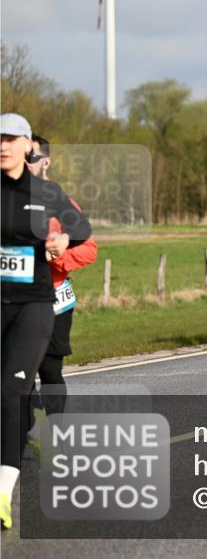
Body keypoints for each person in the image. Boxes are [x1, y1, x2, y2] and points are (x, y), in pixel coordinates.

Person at [2, 113, 92, 532]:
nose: (4, 147)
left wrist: (61, 249)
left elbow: (86, 240)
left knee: (35, 377)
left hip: (45, 302)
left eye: (12, 141)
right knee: (13, 388)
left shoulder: (52, 196)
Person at [26, 135, 98, 423]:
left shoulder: (61, 202)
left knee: (50, 371)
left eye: (31, 158)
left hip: (55, 300)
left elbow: (89, 249)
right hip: (16, 300)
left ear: (46, 161)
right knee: (20, 375)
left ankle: (55, 432)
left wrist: (56, 256)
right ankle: (23, 436)